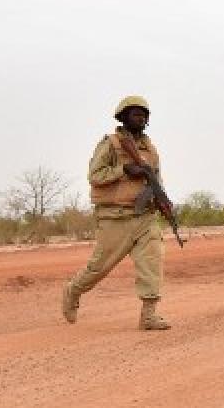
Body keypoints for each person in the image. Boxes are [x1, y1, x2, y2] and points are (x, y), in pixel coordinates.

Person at [62, 96, 171, 331]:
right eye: (135, 114)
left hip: (145, 217)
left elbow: (156, 178)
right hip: (115, 217)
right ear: (123, 117)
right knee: (99, 267)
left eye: (144, 115)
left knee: (152, 263)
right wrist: (123, 170)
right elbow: (95, 175)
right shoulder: (111, 144)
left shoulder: (150, 149)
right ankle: (73, 290)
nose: (140, 118)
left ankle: (149, 315)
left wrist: (162, 200)